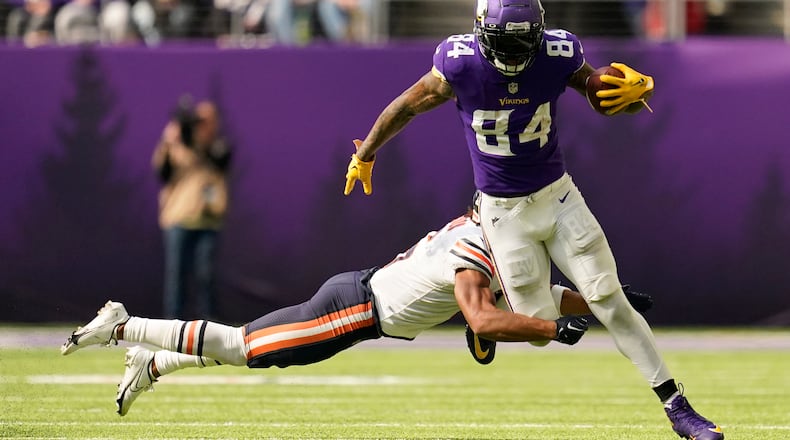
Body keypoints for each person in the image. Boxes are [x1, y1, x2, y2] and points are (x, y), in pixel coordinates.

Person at [341, 1, 723, 439]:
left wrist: (636, 95)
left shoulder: (558, 53)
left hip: (558, 197)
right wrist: (365, 153)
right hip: (503, 213)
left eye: (524, 41)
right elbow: (406, 106)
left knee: (611, 300)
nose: (515, 53)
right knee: (539, 329)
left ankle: (678, 408)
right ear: (483, 34)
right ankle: (498, 308)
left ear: (538, 33)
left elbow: (602, 94)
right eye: (506, 42)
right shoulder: (459, 63)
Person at [60, 211, 614, 416]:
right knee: (245, 347)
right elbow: (484, 321)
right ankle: (123, 323)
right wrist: (551, 329)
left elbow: (538, 291)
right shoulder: (476, 255)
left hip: (357, 301)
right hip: (354, 310)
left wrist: (606, 300)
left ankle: (152, 363)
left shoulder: (478, 237)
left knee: (251, 344)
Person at [152, 99, 231, 320]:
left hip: (208, 220)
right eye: (200, 122)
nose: (204, 126)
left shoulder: (218, 147)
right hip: (179, 218)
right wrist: (169, 141)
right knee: (176, 274)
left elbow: (220, 160)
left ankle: (209, 324)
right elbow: (162, 172)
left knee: (206, 274)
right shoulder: (179, 148)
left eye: (209, 121)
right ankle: (173, 324)